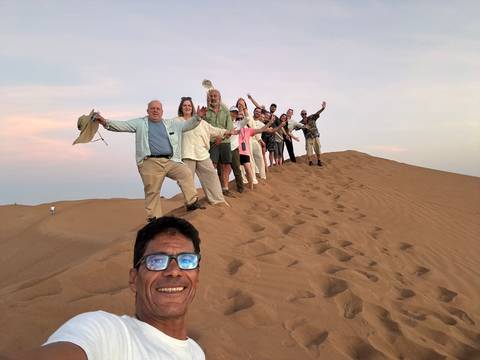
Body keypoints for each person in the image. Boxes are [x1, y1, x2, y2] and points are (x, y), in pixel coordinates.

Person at [18, 216, 205, 359]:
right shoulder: (106, 331)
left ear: (196, 279)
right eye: (156, 261)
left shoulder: (196, 353)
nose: (174, 271)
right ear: (134, 280)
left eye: (187, 261)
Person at [95, 100, 207, 221]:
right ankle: (155, 218)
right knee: (152, 190)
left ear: (162, 111)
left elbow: (187, 125)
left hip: (170, 161)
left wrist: (198, 117)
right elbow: (123, 125)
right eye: (152, 108)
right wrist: (105, 122)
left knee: (186, 173)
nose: (155, 110)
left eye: (158, 109)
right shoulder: (140, 123)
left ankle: (191, 203)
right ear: (147, 111)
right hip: (150, 162)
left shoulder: (170, 123)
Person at [178, 97, 235, 206]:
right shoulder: (177, 121)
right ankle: (191, 203)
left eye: (189, 105)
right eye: (184, 105)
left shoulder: (202, 122)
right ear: (181, 108)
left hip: (202, 154)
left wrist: (228, 131)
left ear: (192, 107)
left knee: (211, 176)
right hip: (186, 153)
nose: (187, 107)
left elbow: (214, 130)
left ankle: (218, 201)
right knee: (186, 180)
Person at [203, 89, 236, 196]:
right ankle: (214, 189)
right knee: (212, 166)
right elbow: (203, 128)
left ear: (219, 97)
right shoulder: (206, 112)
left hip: (225, 141)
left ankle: (225, 188)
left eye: (215, 96)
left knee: (226, 166)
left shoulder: (225, 110)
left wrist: (221, 138)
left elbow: (230, 128)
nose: (213, 98)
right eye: (211, 96)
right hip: (212, 143)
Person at [300, 101, 327, 166]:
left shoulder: (312, 117)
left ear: (306, 114)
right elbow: (296, 128)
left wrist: (323, 108)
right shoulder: (300, 122)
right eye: (302, 114)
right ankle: (310, 161)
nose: (304, 115)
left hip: (315, 135)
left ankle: (319, 161)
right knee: (309, 150)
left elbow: (317, 113)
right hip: (308, 137)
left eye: (305, 113)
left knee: (318, 149)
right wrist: (303, 126)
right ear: (301, 115)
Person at [229, 106, 249, 193]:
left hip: (234, 149)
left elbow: (247, 118)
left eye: (236, 113)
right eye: (232, 112)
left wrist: (243, 109)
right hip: (224, 148)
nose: (234, 114)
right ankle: (222, 189)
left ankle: (240, 188)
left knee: (237, 169)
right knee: (222, 170)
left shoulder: (238, 124)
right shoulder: (224, 123)